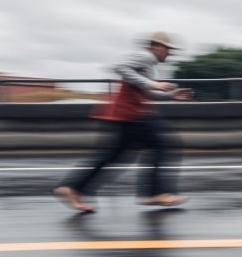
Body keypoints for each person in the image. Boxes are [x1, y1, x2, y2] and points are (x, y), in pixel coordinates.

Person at [53, 31, 194, 212]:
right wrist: (153, 84)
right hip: (132, 114)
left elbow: (144, 90)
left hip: (124, 115)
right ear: (156, 46)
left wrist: (171, 95)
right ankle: (155, 193)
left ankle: (71, 187)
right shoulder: (145, 56)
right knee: (164, 144)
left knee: (112, 156)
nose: (170, 54)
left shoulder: (148, 65)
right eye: (168, 49)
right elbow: (119, 67)